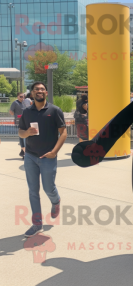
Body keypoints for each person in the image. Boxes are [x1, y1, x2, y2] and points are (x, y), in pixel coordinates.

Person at [18, 81, 67, 237]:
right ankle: (37, 224)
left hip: (48, 157)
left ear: (46, 92)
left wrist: (54, 152)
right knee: (33, 191)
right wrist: (27, 133)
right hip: (30, 156)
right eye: (36, 89)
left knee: (48, 188)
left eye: (42, 89)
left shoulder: (54, 110)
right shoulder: (26, 112)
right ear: (32, 93)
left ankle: (56, 200)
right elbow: (20, 132)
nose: (39, 91)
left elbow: (63, 133)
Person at [9, 92, 26, 158]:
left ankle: (23, 151)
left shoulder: (24, 103)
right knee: (22, 136)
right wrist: (16, 116)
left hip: (25, 121)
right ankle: (24, 151)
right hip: (19, 121)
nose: (22, 98)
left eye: (23, 96)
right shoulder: (15, 103)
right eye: (20, 96)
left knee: (23, 136)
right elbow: (11, 111)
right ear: (17, 96)